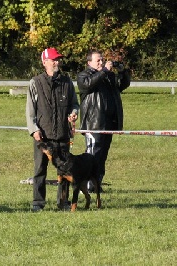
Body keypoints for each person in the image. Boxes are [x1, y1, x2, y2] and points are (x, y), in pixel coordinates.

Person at [26, 48, 79, 211]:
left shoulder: (67, 82)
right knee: (39, 170)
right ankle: (38, 203)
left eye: (58, 59)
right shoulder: (35, 82)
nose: (57, 62)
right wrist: (34, 129)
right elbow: (30, 110)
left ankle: (63, 202)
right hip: (42, 136)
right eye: (54, 59)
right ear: (44, 62)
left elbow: (74, 104)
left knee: (64, 170)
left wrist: (73, 113)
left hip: (62, 134)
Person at [77, 50, 130, 191]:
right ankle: (87, 185)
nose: (101, 63)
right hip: (93, 123)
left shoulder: (108, 76)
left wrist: (122, 71)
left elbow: (122, 85)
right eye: (97, 61)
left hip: (109, 123)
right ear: (89, 63)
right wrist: (105, 71)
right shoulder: (84, 76)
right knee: (92, 156)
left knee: (102, 156)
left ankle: (96, 184)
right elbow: (88, 85)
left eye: (102, 60)